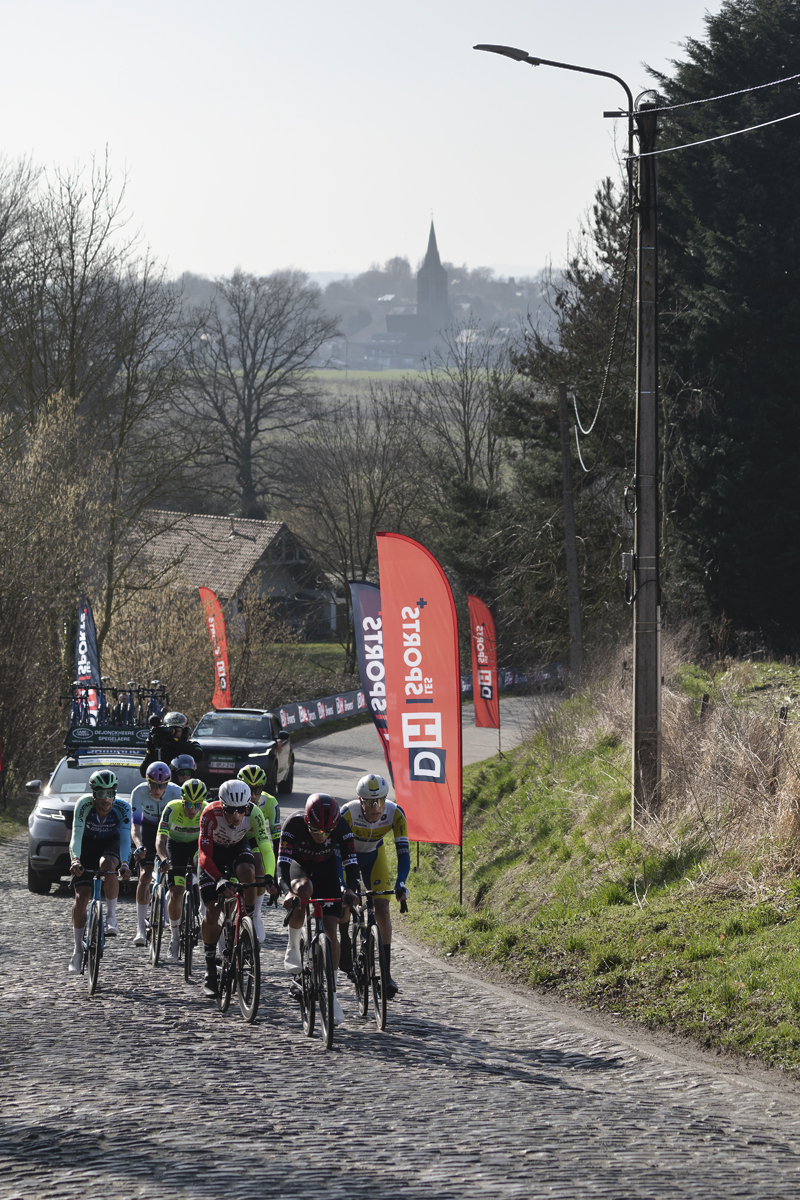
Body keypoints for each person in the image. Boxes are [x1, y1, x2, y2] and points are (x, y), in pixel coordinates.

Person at [278, 793, 359, 1026]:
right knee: (303, 890)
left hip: (326, 871)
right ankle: (293, 946)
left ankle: (332, 995)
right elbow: (282, 865)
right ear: (306, 819)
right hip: (299, 868)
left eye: (326, 833)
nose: (321, 836)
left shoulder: (341, 826)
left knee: (332, 931)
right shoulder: (293, 824)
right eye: (315, 830)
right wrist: (287, 892)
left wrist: (351, 889)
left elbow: (351, 862)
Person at [197, 778, 276, 998]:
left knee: (249, 872)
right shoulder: (210, 814)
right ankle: (210, 967)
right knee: (212, 910)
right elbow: (204, 855)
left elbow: (266, 849)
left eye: (241, 810)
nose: (236, 815)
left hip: (237, 848)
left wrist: (270, 875)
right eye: (231, 810)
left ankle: (247, 920)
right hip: (213, 856)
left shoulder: (254, 813)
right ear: (222, 805)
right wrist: (218, 878)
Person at [340, 772, 410, 998]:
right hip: (346, 857)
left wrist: (401, 882)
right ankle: (344, 938)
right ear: (361, 801)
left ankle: (386, 974)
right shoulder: (347, 813)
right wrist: (343, 885)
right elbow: (333, 852)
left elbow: (403, 853)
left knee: (382, 908)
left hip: (374, 855)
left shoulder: (395, 814)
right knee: (345, 903)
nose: (376, 807)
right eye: (370, 802)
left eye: (380, 800)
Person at [67, 769, 133, 972]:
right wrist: (75, 859)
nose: (107, 799)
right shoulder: (84, 804)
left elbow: (125, 840)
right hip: (86, 845)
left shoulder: (123, 808)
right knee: (82, 896)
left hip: (109, 845)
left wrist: (124, 863)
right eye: (102, 793)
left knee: (108, 866)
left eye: (111, 793)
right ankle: (78, 950)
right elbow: (76, 837)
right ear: (94, 794)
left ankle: (111, 917)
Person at [155, 777, 208, 959]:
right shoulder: (172, 808)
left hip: (195, 846)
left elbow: (211, 842)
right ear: (183, 801)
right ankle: (175, 937)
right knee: (176, 893)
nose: (192, 809)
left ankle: (201, 906)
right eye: (189, 804)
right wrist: (163, 859)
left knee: (201, 864)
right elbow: (160, 839)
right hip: (174, 846)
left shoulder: (206, 810)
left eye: (197, 804)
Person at [130, 762, 182, 945]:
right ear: (147, 781)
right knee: (144, 875)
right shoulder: (138, 793)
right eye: (153, 784)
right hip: (149, 829)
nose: (157, 790)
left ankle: (169, 899)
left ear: (168, 784)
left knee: (174, 871)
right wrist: (139, 845)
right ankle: (140, 929)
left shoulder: (177, 792)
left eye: (161, 786)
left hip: (170, 831)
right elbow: (135, 827)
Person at [237, 764, 280, 942]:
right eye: (249, 789)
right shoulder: (233, 797)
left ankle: (255, 915)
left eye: (258, 790)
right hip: (234, 838)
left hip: (254, 839)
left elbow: (276, 840)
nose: (253, 795)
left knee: (260, 867)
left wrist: (275, 875)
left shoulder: (270, 803)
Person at [139, 711, 203, 777]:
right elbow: (144, 772)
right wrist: (150, 751)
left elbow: (198, 755)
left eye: (178, 731)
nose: (175, 734)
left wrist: (177, 743)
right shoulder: (161, 748)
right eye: (171, 731)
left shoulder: (191, 744)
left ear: (184, 732)